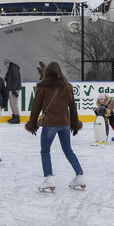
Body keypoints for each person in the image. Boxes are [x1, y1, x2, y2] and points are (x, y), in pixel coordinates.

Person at [25, 62, 85, 192]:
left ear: (46, 73)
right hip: (65, 123)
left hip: (50, 124)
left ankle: (49, 179)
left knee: (45, 151)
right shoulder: (67, 87)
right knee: (68, 150)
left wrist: (32, 124)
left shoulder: (42, 87)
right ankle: (80, 176)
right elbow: (73, 108)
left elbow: (36, 107)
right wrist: (74, 124)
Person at [3, 57, 22, 124]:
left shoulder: (14, 68)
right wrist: (5, 78)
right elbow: (10, 78)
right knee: (12, 103)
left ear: (8, 63)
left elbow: (16, 79)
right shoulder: (11, 68)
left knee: (13, 104)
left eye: (5, 64)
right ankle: (15, 116)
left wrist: (14, 89)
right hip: (12, 88)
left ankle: (17, 118)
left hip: (14, 88)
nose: (5, 66)